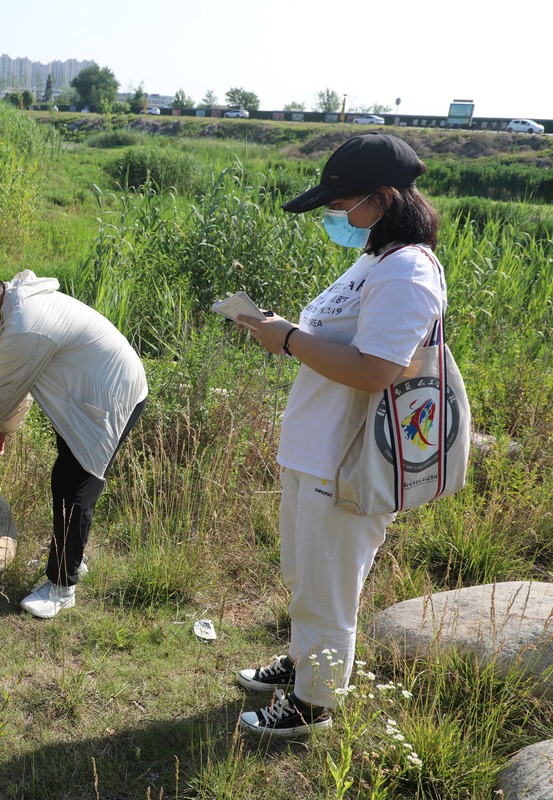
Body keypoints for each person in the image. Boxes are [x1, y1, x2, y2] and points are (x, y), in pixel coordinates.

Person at [232, 133, 445, 736]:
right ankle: (302, 662)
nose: (333, 215)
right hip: (314, 443)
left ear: (380, 199)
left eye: (339, 204)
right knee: (304, 572)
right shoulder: (374, 259)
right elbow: (341, 343)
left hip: (349, 455)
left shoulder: (408, 272)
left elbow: (379, 370)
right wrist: (284, 331)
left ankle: (315, 704)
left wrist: (289, 340)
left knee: (329, 585)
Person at [0, 262, 148, 619]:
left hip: (110, 395)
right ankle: (70, 558)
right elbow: (22, 379)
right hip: (84, 393)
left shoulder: (26, 324)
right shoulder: (13, 312)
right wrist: (1, 427)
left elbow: (2, 388)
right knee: (69, 476)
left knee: (74, 485)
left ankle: (62, 587)